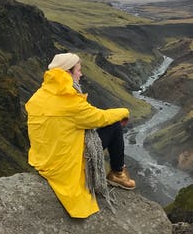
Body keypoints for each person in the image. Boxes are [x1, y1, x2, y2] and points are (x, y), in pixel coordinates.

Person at [25, 52, 135, 218]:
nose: (81, 74)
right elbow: (100, 118)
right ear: (68, 72)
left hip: (44, 160)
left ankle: (117, 172)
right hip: (66, 165)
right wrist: (124, 112)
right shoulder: (70, 102)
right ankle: (117, 172)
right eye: (78, 70)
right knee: (114, 126)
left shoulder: (38, 96)